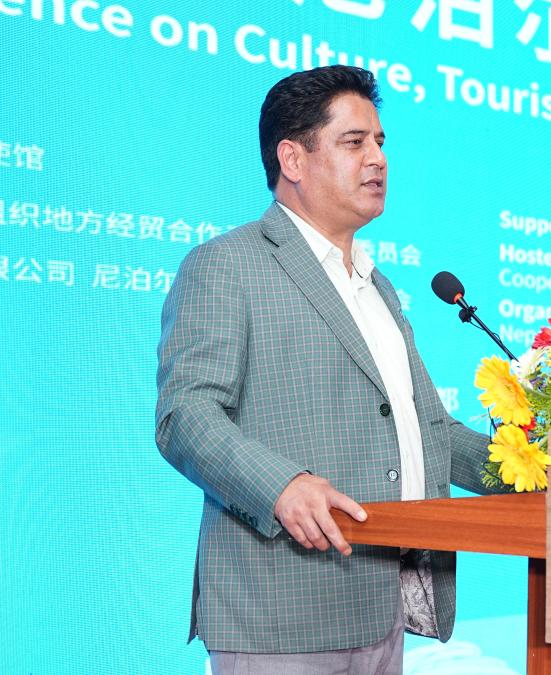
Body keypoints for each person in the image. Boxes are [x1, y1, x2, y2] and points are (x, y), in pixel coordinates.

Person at [155, 65, 494, 674]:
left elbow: (430, 432)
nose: (378, 159)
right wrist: (281, 485)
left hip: (379, 608)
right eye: (354, 142)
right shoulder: (226, 265)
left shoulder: (377, 287)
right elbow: (186, 415)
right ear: (292, 158)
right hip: (280, 615)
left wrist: (539, 471)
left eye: (380, 142)